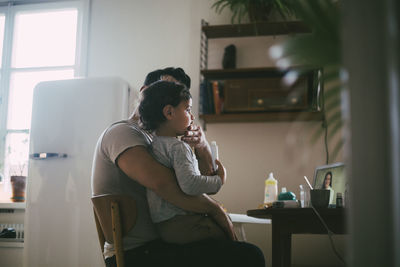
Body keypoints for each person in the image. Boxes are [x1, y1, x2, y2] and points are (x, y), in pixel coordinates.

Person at [91, 67, 265, 267]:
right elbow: (166, 186)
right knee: (247, 256)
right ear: (144, 91)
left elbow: (204, 174)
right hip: (137, 254)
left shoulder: (162, 140)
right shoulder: (122, 133)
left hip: (163, 242)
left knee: (238, 250)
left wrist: (202, 146)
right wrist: (215, 210)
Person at [138, 80, 227, 244]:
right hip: (183, 223)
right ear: (169, 112)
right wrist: (218, 181)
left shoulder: (152, 145)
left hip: (163, 226)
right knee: (225, 236)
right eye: (188, 109)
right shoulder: (178, 147)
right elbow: (190, 185)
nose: (192, 117)